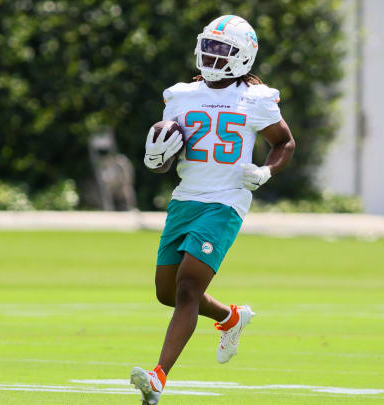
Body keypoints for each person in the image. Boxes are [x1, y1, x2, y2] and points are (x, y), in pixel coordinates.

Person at [130, 15, 295, 404]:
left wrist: (266, 171)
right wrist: (157, 158)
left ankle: (158, 378)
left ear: (243, 56)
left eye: (223, 49)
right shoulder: (179, 95)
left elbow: (284, 142)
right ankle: (231, 317)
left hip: (226, 201)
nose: (212, 54)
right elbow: (169, 153)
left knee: (188, 286)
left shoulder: (256, 99)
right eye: (210, 46)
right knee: (166, 293)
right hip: (186, 198)